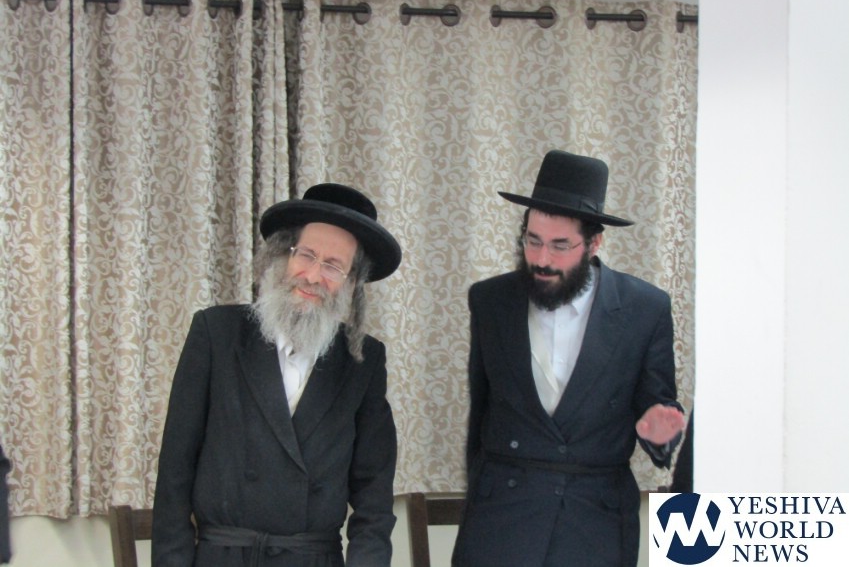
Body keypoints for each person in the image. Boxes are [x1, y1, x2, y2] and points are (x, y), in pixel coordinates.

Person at [452, 150, 686, 567]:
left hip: (595, 521)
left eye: (560, 245)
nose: (542, 259)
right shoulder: (489, 300)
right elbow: (481, 412)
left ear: (594, 244)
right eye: (533, 241)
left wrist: (659, 432)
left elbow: (658, 404)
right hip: (501, 517)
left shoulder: (644, 308)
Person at [152, 183, 402, 567]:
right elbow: (174, 473)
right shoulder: (216, 333)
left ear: (352, 283)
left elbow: (374, 493)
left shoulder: (363, 361)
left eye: (333, 266)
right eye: (307, 255)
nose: (313, 276)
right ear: (284, 255)